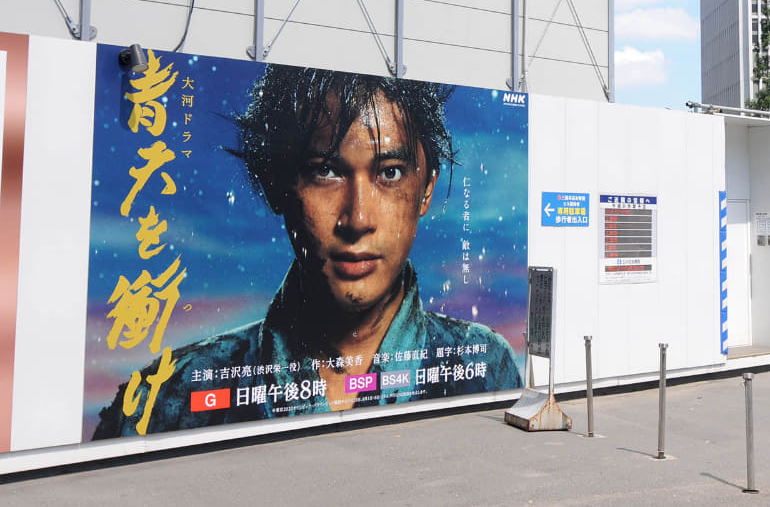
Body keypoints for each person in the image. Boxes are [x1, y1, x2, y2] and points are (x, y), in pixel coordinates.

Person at [95, 66, 521, 438]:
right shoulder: (168, 395)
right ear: (278, 184)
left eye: (390, 173)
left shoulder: (484, 363)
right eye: (326, 171)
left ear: (426, 187)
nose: (357, 218)